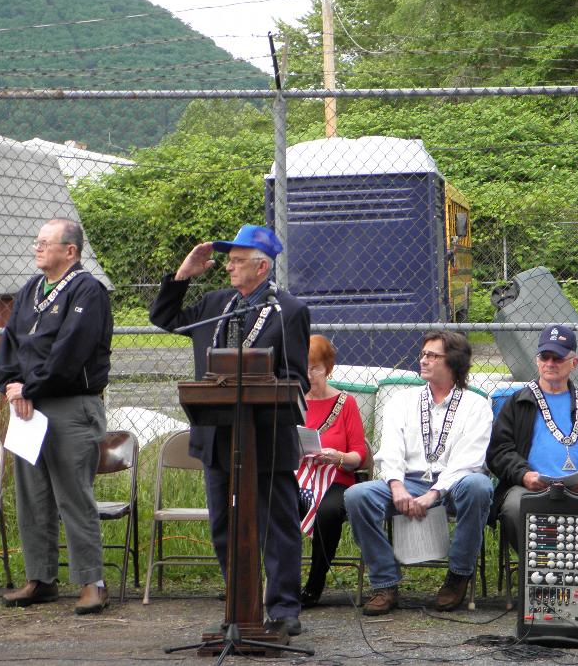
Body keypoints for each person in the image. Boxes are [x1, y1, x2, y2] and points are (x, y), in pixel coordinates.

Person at [149, 224, 310, 636]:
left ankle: (283, 605)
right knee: (224, 523)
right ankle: (241, 599)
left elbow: (297, 376)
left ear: (261, 266)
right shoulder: (216, 302)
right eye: (228, 260)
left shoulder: (288, 310)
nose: (228, 267)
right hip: (217, 432)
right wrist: (182, 276)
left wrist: (262, 386)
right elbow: (165, 317)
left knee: (276, 523)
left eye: (237, 261)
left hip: (266, 436)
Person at [0, 218, 113, 615]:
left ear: (70, 251)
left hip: (70, 404)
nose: (37, 248)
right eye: (36, 242)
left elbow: (70, 349)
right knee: (32, 495)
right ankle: (40, 578)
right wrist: (12, 385)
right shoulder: (31, 289)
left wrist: (32, 387)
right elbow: (11, 341)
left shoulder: (87, 290)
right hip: (27, 406)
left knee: (73, 494)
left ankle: (92, 582)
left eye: (46, 243)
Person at [345, 330, 493, 616]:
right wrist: (397, 486)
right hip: (409, 481)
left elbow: (469, 461)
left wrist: (434, 494)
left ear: (453, 362)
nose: (423, 360)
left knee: (479, 486)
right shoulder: (402, 401)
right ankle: (385, 583)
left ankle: (458, 574)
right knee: (357, 496)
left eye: (432, 355)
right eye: (423, 354)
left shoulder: (476, 405)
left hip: (454, 484)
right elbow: (390, 450)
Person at [487, 324, 578, 613]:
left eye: (558, 358)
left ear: (573, 363)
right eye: (545, 357)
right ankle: (539, 579)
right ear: (537, 361)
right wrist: (524, 475)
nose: (550, 364)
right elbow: (499, 451)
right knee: (514, 509)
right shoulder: (518, 403)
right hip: (531, 485)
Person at [296, 335, 369, 608]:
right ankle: (281, 583)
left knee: (328, 511)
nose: (309, 375)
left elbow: (359, 454)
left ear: (327, 368)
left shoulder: (345, 403)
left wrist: (338, 457)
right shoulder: (295, 401)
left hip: (336, 479)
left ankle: (314, 585)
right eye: (303, 369)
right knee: (278, 503)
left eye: (314, 368)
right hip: (300, 476)